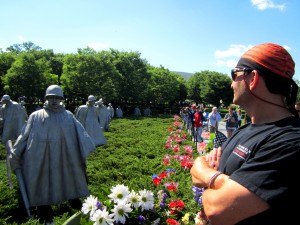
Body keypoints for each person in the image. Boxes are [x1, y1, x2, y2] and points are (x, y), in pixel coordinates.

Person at [190, 43, 300, 224]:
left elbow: (218, 210)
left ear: (253, 78)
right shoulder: (244, 130)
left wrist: (208, 175)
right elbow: (198, 168)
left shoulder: (291, 141)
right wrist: (217, 179)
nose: (231, 83)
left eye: (235, 74)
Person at [9, 85, 96, 223]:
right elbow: (24, 136)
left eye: (57, 98)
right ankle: (44, 211)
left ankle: (75, 203)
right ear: (46, 99)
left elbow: (81, 134)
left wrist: (85, 147)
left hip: (66, 156)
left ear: (61, 99)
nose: (54, 101)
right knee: (44, 183)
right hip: (41, 156)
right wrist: (16, 152)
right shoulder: (36, 116)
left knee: (69, 178)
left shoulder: (68, 115)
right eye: (51, 98)